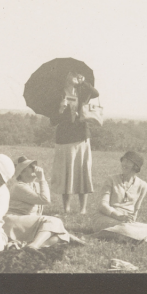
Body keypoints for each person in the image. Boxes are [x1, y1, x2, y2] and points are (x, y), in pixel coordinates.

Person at [3, 156, 87, 251]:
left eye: (34, 165)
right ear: (22, 172)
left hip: (28, 223)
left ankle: (30, 246)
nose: (35, 168)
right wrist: (42, 179)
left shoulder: (35, 185)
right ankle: (34, 245)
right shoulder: (19, 187)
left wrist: (41, 182)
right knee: (54, 221)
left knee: (61, 236)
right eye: (31, 166)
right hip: (14, 221)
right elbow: (45, 200)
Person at [50, 75, 98, 214]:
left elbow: (96, 93)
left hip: (81, 136)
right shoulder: (58, 94)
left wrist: (84, 82)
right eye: (73, 73)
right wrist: (60, 108)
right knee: (66, 174)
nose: (76, 76)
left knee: (82, 172)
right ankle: (67, 208)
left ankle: (83, 209)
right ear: (66, 76)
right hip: (64, 139)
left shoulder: (82, 91)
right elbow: (52, 121)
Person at [92, 151, 147, 243]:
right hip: (105, 218)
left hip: (125, 223)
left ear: (135, 166)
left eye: (128, 161)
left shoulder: (143, 185)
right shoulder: (111, 180)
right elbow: (102, 205)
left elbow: (136, 210)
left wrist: (130, 220)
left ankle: (126, 236)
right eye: (123, 161)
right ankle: (131, 236)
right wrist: (118, 216)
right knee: (125, 229)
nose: (124, 164)